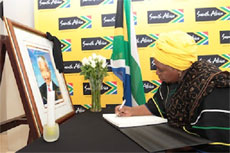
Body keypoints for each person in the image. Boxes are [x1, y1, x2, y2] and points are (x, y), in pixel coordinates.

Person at [115, 30, 230, 152]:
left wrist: (172, 145)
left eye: (161, 69)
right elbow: (156, 107)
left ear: (177, 69)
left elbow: (217, 143)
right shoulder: (171, 82)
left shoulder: (214, 89)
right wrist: (131, 111)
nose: (157, 73)